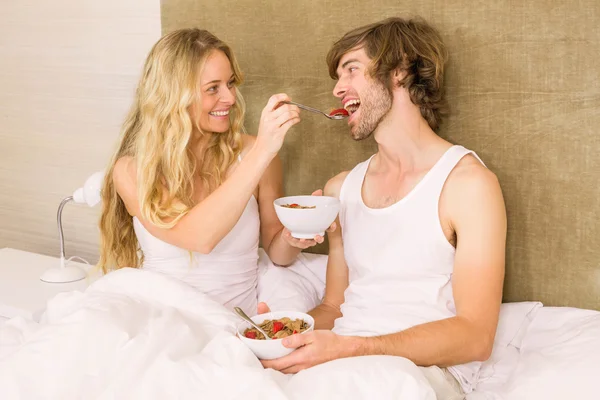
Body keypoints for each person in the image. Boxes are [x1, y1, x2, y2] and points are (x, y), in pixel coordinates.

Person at [259, 17, 507, 399]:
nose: (339, 89)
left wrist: (353, 348)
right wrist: (284, 334)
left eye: (352, 70)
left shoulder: (468, 186)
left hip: (420, 374)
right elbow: (333, 306)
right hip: (339, 366)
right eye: (338, 78)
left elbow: (476, 336)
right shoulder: (341, 189)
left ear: (400, 70)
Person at [97, 28, 331, 316]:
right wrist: (260, 153)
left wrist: (292, 237)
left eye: (230, 84)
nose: (230, 99)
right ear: (174, 95)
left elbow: (277, 252)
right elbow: (199, 238)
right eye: (213, 88)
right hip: (163, 317)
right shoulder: (133, 170)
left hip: (238, 318)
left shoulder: (258, 153)